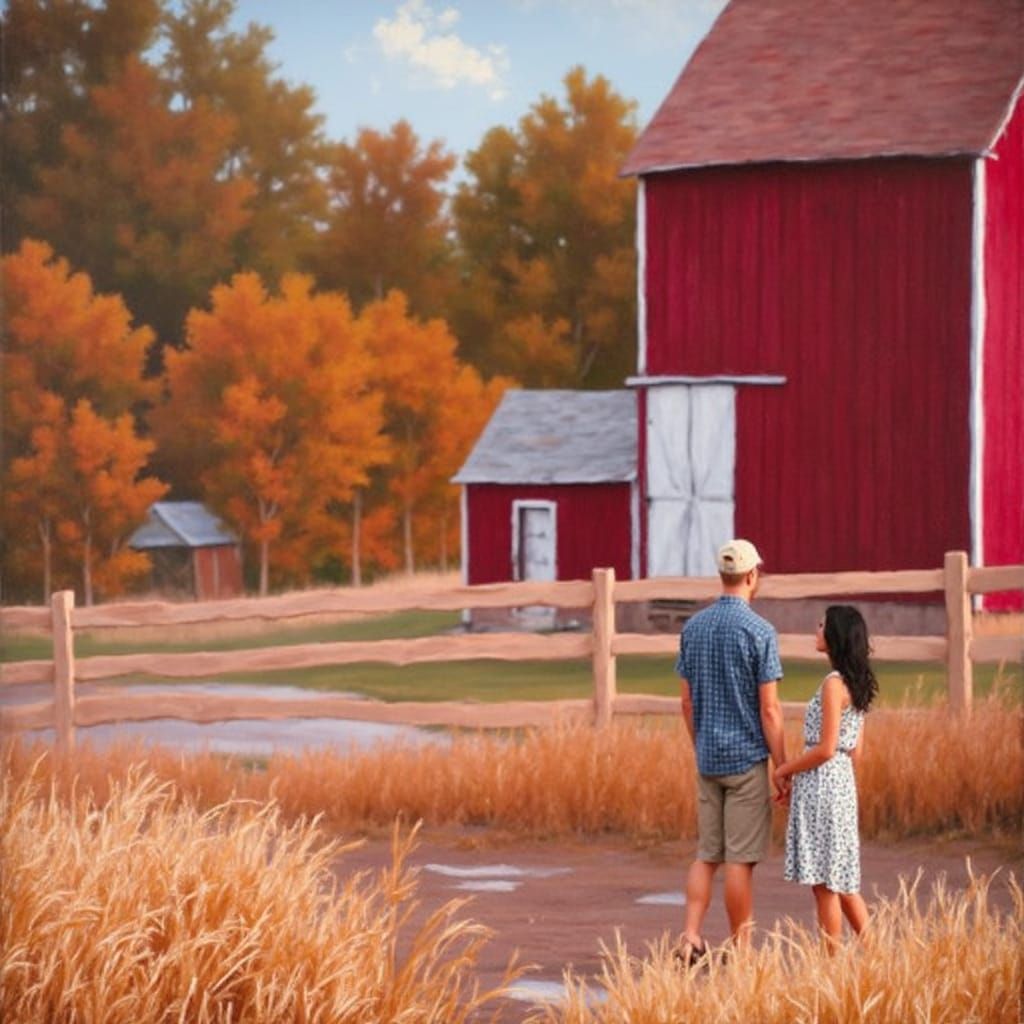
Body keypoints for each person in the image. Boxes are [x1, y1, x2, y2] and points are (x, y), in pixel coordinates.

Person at [673, 538, 788, 966]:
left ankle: (690, 936)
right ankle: (740, 951)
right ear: (752, 575)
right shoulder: (760, 632)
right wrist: (781, 766)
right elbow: (770, 709)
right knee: (740, 861)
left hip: (708, 758)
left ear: (722, 575)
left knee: (707, 855)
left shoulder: (693, 628)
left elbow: (686, 703)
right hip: (745, 760)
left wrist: (700, 743)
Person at [773, 605, 878, 949]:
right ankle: (876, 953)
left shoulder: (833, 684)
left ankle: (830, 963)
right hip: (842, 783)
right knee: (842, 880)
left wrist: (785, 769)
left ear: (836, 636)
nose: (816, 630)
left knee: (825, 885)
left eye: (822, 625)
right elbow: (854, 752)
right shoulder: (857, 684)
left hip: (822, 784)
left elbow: (826, 748)